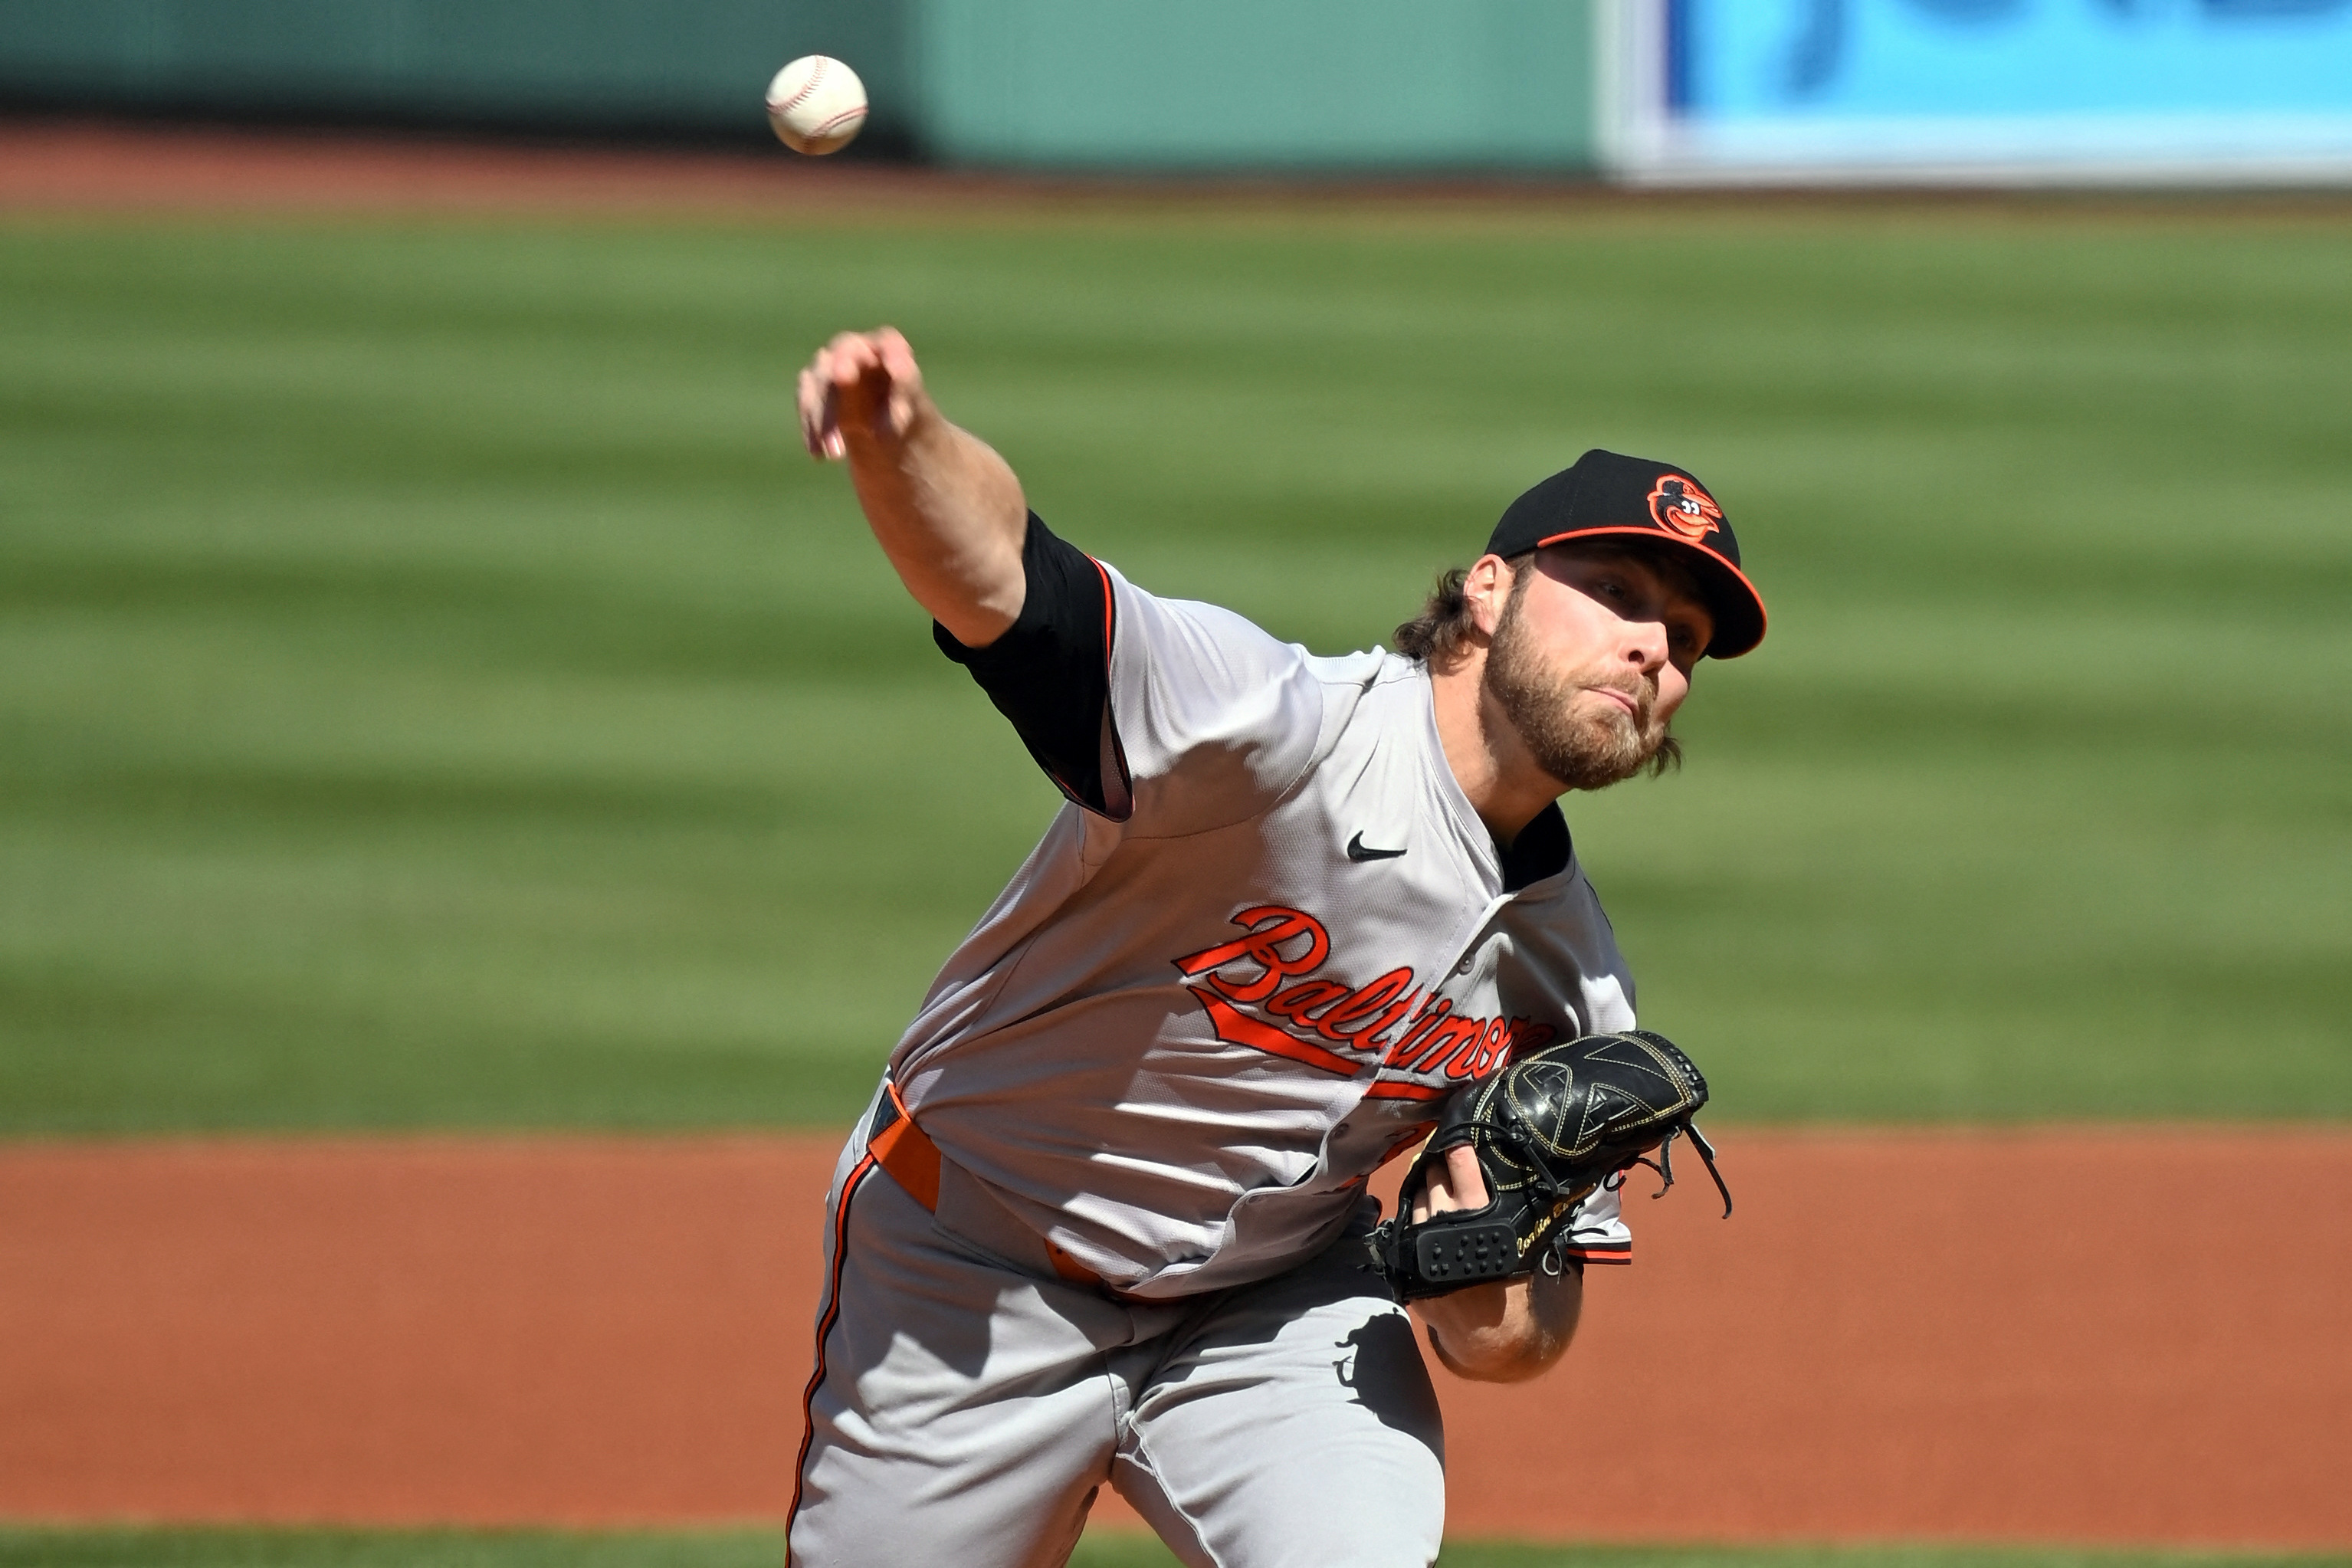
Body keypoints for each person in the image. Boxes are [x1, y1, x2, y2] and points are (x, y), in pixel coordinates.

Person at [785, 327, 1766, 1568]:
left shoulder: (1576, 984)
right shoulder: (1271, 729)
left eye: (1684, 639)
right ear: (1488, 588)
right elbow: (1008, 587)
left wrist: (1479, 1281)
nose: (1653, 648)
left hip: (1273, 1315)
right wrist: (901, 439)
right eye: (1619, 595)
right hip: (970, 1267)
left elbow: (1519, 1340)